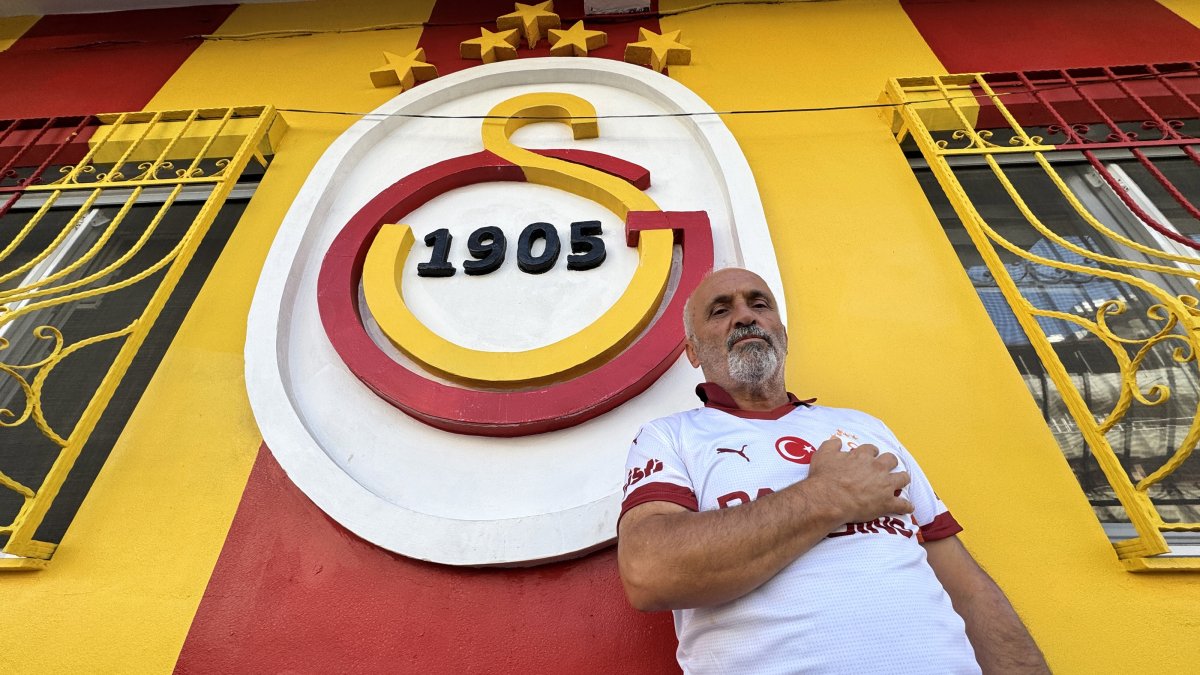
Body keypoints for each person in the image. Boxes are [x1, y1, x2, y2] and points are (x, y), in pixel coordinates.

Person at [617, 267, 1048, 674]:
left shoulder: (866, 428)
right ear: (693, 351)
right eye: (721, 310)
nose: (745, 316)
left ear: (782, 334)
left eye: (759, 304)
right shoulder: (670, 437)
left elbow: (964, 583)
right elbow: (650, 571)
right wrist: (829, 495)